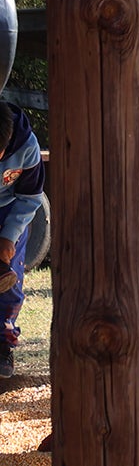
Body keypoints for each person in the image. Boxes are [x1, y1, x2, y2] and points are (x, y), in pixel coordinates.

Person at [0, 104, 46, 381]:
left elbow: (30, 197)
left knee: (9, 284)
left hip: (11, 209)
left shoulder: (27, 145)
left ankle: (3, 343)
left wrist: (9, 235)